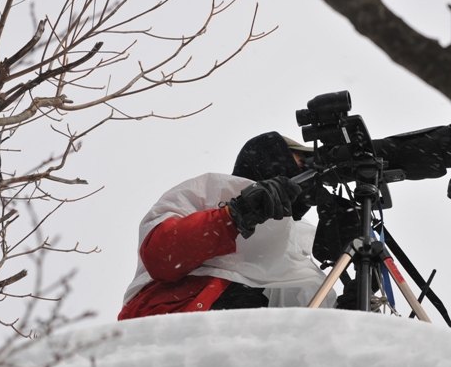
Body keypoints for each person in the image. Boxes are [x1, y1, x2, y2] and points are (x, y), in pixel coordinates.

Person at [118, 132, 336, 320]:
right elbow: (162, 256)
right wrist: (234, 216)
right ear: (272, 156)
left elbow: (307, 331)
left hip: (244, 354)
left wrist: (350, 308)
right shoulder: (207, 192)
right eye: (301, 163)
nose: (306, 175)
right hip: (174, 325)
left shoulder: (296, 238)